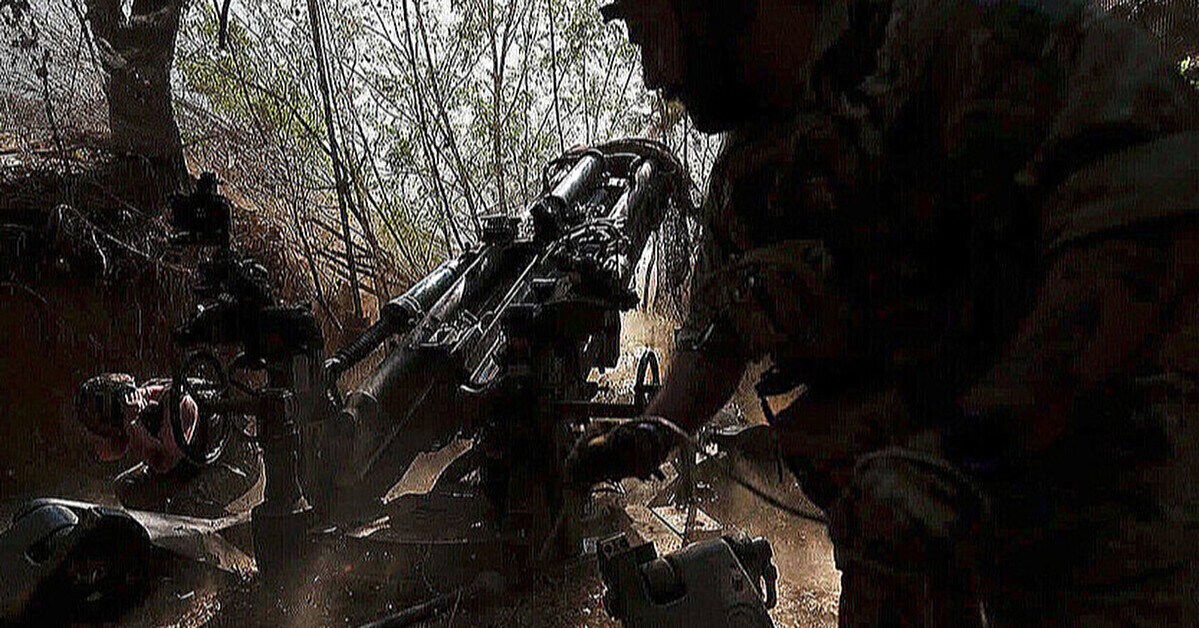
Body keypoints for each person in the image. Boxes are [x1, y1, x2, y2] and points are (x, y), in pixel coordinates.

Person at [571, 0, 1199, 623]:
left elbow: (1151, 207)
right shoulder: (749, 175)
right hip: (906, 561)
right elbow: (717, 333)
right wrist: (651, 433)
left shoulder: (954, 31)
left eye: (651, 34)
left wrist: (965, 450)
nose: (652, 75)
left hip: (1105, 538)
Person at [75, 373, 260, 518]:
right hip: (194, 466)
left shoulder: (178, 403)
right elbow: (113, 451)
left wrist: (133, 423)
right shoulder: (140, 410)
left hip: (238, 466)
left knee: (183, 505)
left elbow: (163, 463)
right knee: (127, 488)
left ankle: (228, 532)